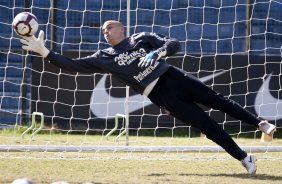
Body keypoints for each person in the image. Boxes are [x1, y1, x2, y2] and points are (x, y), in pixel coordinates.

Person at [20, 20, 276, 175]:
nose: (105, 32)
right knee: (207, 126)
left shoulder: (140, 38)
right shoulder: (105, 57)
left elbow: (174, 43)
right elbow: (72, 65)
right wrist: (45, 52)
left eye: (109, 27)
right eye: (102, 30)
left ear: (122, 28)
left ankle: (259, 123)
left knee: (219, 101)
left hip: (173, 76)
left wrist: (160, 52)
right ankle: (245, 158)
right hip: (160, 94)